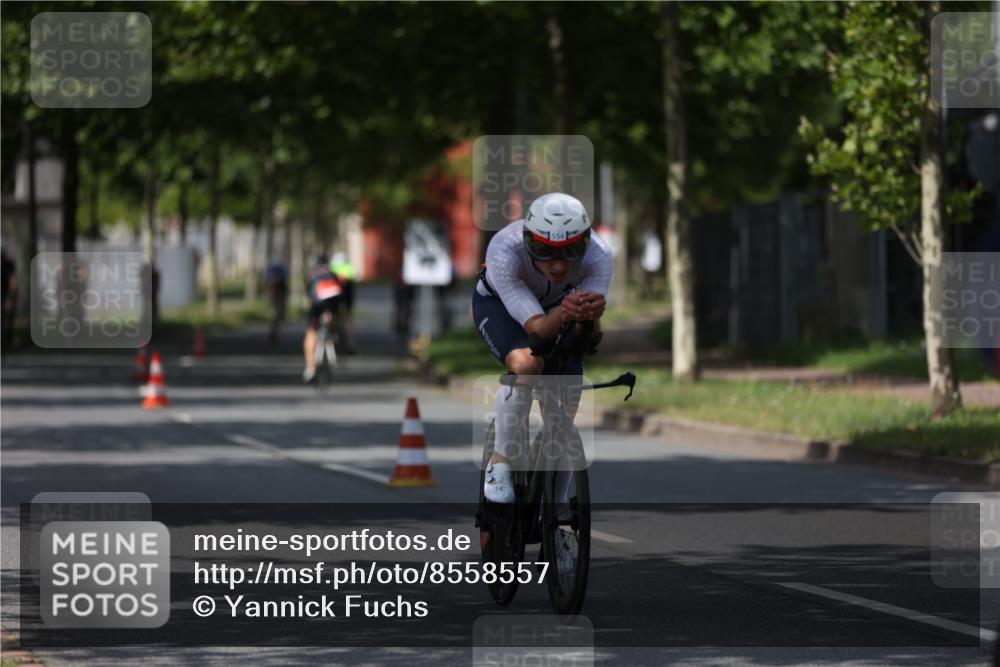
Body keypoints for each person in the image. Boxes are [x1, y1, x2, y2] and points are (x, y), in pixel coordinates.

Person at [473, 192, 612, 507]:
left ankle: (558, 509)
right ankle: (500, 461)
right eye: (545, 252)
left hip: (561, 308)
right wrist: (566, 312)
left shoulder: (600, 255)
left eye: (570, 252)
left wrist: (590, 317)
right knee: (527, 365)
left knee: (566, 404)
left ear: (585, 243)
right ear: (527, 242)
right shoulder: (503, 251)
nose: (559, 265)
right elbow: (536, 332)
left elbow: (588, 339)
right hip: (502, 307)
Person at [302, 254, 344, 383]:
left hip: (317, 306)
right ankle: (333, 333)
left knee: (311, 334)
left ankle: (311, 368)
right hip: (332, 303)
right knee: (332, 315)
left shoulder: (313, 274)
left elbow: (310, 294)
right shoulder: (332, 273)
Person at [329, 252, 357, 355]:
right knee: (349, 318)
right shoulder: (349, 267)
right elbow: (355, 276)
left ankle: (333, 340)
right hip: (347, 295)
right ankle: (350, 343)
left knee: (332, 315)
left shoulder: (332, 267)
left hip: (335, 296)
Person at [265, 258, 289, 347]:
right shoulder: (275, 277)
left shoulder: (279, 276)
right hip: (276, 298)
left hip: (279, 297)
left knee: (278, 316)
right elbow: (270, 289)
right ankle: (274, 333)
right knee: (275, 316)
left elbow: (284, 289)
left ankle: (275, 332)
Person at [1, 249, 17, 354]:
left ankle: (7, 343)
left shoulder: (9, 265)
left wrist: (10, 299)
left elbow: (13, 282)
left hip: (6, 294)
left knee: (7, 319)